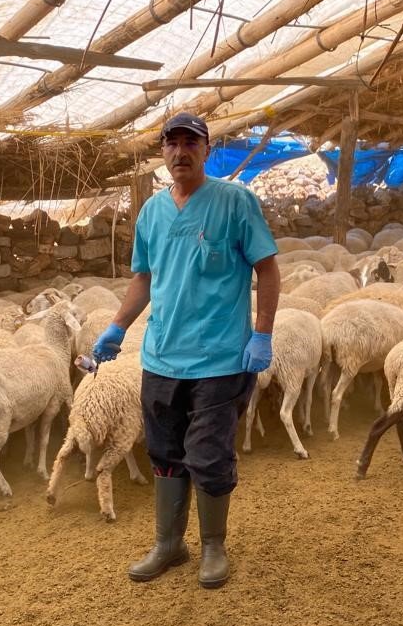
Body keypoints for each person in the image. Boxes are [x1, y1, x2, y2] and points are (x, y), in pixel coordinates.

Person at [93, 112, 280, 589]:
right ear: (162, 152)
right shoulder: (152, 212)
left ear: (206, 150)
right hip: (161, 357)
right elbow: (144, 278)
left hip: (220, 358)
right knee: (164, 451)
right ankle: (169, 543)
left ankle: (214, 545)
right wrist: (117, 328)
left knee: (210, 454)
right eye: (171, 143)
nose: (181, 152)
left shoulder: (235, 202)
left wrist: (262, 333)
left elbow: (268, 270)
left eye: (190, 143)